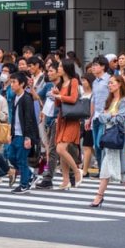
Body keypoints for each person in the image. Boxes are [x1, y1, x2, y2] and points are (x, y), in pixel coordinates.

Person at [90, 75, 125, 207]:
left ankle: (99, 196)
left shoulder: (123, 101)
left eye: (111, 83)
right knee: (122, 170)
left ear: (119, 84)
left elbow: (121, 119)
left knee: (108, 166)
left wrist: (108, 116)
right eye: (109, 83)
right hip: (109, 135)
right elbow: (101, 117)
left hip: (117, 136)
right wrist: (110, 115)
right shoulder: (110, 100)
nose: (109, 85)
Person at [53, 58, 82, 189]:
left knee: (61, 149)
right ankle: (65, 180)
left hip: (71, 120)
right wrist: (56, 95)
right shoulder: (60, 83)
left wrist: (60, 96)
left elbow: (73, 98)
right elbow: (58, 104)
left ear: (66, 68)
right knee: (61, 151)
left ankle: (76, 171)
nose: (58, 69)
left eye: (59, 66)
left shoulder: (74, 81)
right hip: (62, 119)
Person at [7, 71, 39, 194]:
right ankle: (30, 175)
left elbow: (29, 119)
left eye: (14, 82)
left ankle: (24, 184)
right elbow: (14, 117)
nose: (12, 84)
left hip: (24, 134)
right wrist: (11, 133)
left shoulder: (26, 98)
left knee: (21, 159)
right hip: (16, 134)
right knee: (11, 156)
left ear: (21, 84)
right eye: (11, 82)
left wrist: (28, 137)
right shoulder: (16, 97)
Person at [34, 62, 59, 190]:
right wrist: (30, 87)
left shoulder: (63, 86)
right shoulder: (48, 85)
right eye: (48, 71)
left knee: (54, 150)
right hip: (48, 120)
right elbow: (37, 96)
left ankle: (48, 177)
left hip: (58, 120)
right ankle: (72, 173)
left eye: (51, 71)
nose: (48, 73)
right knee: (50, 149)